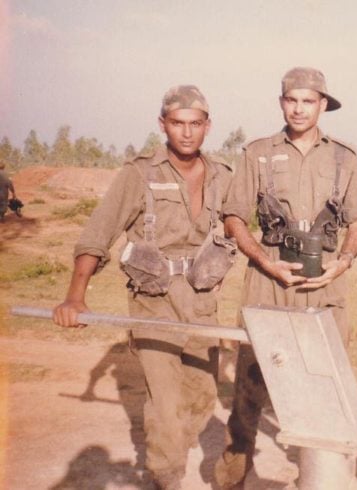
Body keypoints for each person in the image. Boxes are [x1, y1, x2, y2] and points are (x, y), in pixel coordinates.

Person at [52, 85, 234, 489]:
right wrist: (75, 297)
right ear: (162, 124)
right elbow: (98, 234)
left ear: (208, 126)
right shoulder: (139, 174)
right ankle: (166, 476)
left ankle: (171, 449)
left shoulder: (223, 175)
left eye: (195, 124)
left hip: (203, 299)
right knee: (165, 403)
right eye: (177, 123)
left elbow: (241, 226)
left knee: (202, 397)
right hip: (154, 299)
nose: (186, 132)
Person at [215, 66, 357, 488]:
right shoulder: (257, 153)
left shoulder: (345, 157)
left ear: (323, 105)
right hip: (268, 280)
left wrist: (344, 262)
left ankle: (321, 480)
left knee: (327, 388)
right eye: (292, 100)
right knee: (250, 387)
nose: (299, 109)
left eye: (308, 101)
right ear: (281, 103)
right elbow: (234, 217)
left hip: (324, 284)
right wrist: (265, 262)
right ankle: (232, 478)